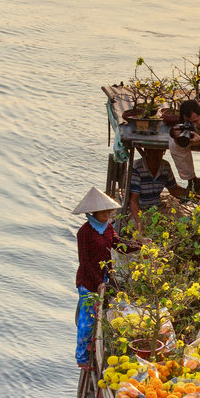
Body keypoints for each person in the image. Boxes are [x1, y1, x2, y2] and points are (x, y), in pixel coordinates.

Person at [70, 186, 137, 369]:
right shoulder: (84, 233)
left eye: (109, 211)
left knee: (101, 313)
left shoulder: (107, 228)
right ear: (95, 212)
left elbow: (118, 244)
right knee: (86, 320)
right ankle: (81, 357)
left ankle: (93, 341)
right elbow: (85, 262)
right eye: (104, 212)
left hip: (104, 277)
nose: (108, 214)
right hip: (88, 281)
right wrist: (98, 283)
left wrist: (139, 246)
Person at [125, 146, 187, 225]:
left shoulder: (165, 166)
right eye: (152, 151)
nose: (155, 155)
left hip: (157, 208)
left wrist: (192, 194)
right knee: (137, 224)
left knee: (181, 217)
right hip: (140, 210)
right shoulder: (137, 167)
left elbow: (174, 189)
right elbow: (133, 200)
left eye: (159, 151)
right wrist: (140, 224)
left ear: (163, 152)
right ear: (146, 151)